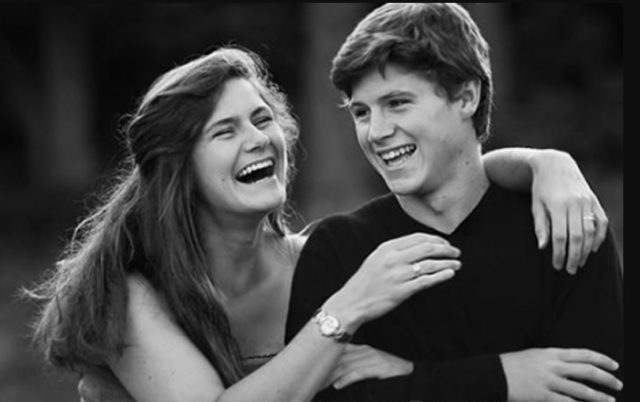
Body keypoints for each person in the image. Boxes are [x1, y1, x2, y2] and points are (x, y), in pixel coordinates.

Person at [24, 43, 608, 402]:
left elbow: (457, 181)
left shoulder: (319, 259)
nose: (258, 139)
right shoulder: (130, 294)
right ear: (178, 168)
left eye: (262, 120)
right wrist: (343, 312)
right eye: (226, 131)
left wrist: (547, 165)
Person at [285, 3, 623, 402]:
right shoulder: (336, 249)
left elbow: (598, 390)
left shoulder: (563, 227)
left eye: (397, 103)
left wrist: (412, 379)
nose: (376, 132)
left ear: (466, 97)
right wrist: (503, 378)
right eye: (361, 112)